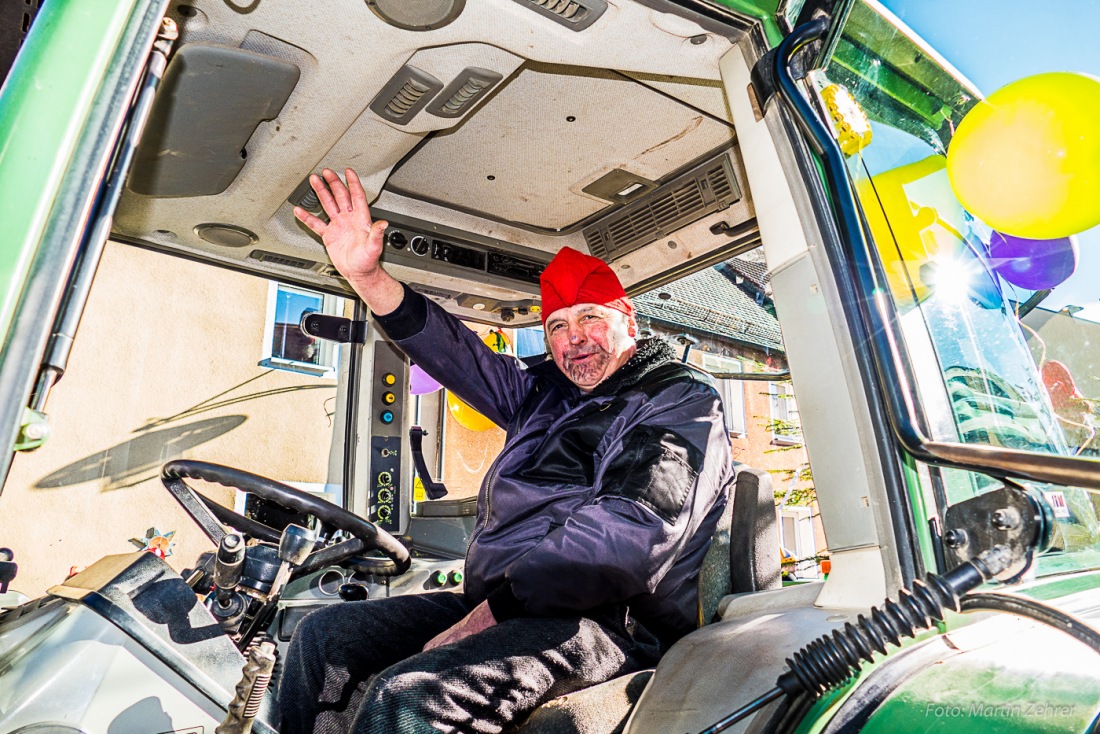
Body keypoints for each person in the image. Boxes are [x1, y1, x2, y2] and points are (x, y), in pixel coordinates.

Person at [278, 168, 734, 733]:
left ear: (629, 322)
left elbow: (627, 536)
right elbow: (456, 354)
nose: (575, 339)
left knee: (407, 698)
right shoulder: (542, 396)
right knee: (324, 638)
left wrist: (490, 616)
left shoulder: (677, 399)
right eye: (558, 326)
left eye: (591, 317)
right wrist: (369, 278)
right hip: (507, 605)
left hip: (603, 624)